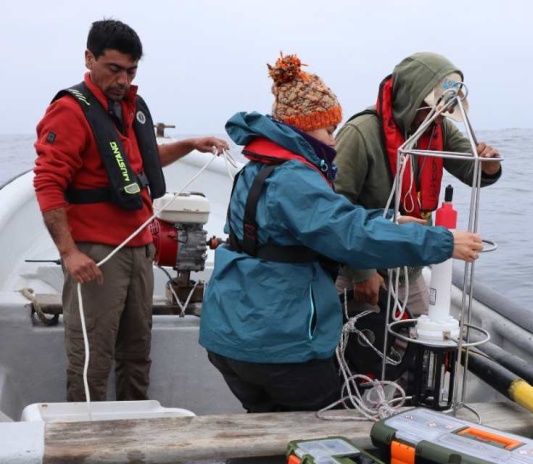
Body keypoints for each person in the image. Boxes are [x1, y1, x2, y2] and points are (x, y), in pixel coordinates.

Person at [199, 53, 485, 413]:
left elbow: (311, 225)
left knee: (268, 426)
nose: (334, 142)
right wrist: (442, 241)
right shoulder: (294, 178)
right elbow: (351, 236)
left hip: (230, 339)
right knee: (328, 430)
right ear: (304, 127)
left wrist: (388, 221)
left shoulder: (258, 169)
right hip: (276, 347)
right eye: (329, 130)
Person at [33, 19, 229, 402]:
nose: (123, 79)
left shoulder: (130, 108)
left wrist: (190, 144)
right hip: (96, 255)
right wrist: (69, 253)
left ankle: (134, 436)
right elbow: (47, 184)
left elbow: (144, 163)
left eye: (131, 71)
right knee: (92, 358)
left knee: (137, 354)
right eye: (114, 69)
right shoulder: (70, 112)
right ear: (89, 58)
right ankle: (86, 445)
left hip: (141, 250)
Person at [333, 52, 503, 314]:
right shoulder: (360, 132)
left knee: (417, 345)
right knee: (358, 348)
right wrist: (361, 272)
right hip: (362, 269)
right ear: (412, 97)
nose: (442, 113)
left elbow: (472, 170)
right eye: (435, 105)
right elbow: (336, 207)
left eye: (446, 107)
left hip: (410, 270)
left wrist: (489, 165)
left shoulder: (438, 127)